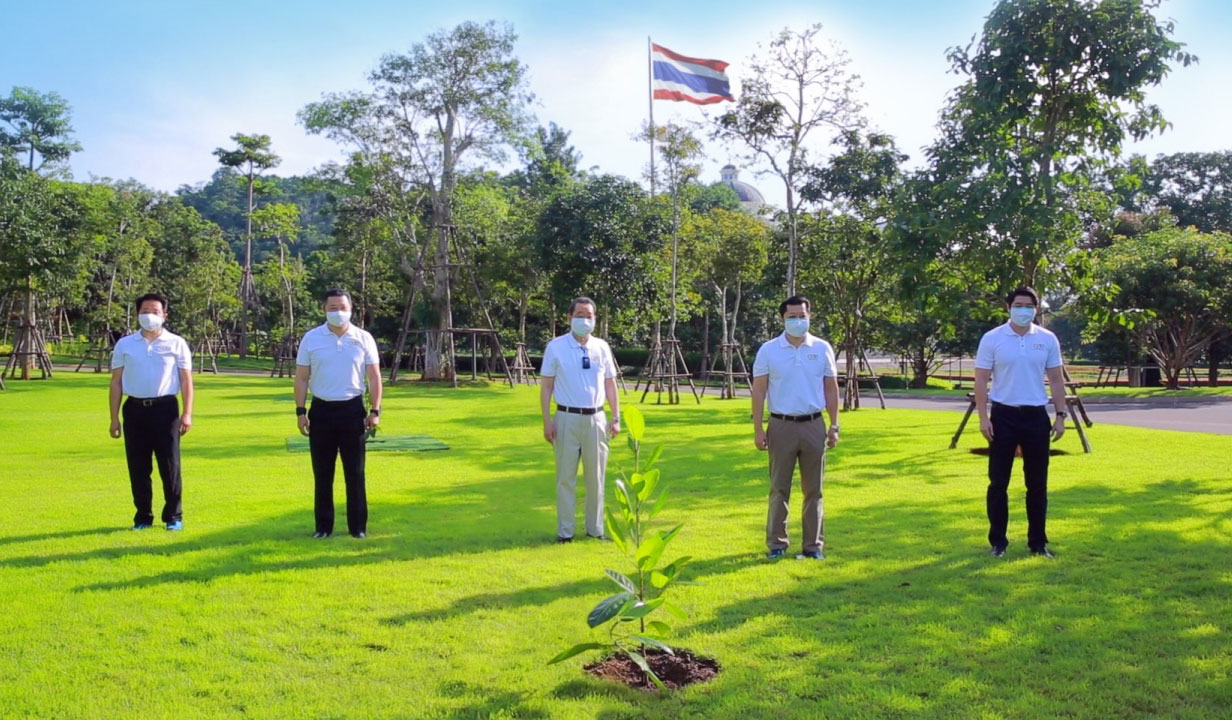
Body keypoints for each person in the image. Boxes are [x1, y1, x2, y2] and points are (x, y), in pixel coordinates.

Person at [974, 286, 1067, 559]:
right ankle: (998, 542)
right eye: (1019, 305)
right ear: (1008, 307)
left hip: (1037, 416)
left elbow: (1057, 379)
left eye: (1029, 306)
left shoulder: (1047, 339)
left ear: (1036, 309)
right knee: (998, 483)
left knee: (1037, 484)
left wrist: (1060, 416)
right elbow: (981, 379)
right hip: (1003, 416)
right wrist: (983, 418)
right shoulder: (993, 338)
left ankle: (1037, 543)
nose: (1023, 310)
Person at [751, 295, 840, 560]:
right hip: (781, 425)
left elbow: (831, 388)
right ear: (782, 319)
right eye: (791, 317)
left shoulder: (822, 348)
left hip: (814, 424)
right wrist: (758, 428)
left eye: (802, 316)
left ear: (809, 316)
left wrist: (835, 425)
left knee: (814, 489)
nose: (797, 321)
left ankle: (813, 547)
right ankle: (777, 545)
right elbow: (759, 390)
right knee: (779, 488)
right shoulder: (769, 350)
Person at [294, 289, 382, 539]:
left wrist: (375, 410)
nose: (338, 312)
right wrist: (301, 411)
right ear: (324, 310)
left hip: (353, 410)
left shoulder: (363, 338)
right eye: (332, 308)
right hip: (321, 411)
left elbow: (374, 377)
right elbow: (301, 377)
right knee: (322, 473)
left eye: (342, 307)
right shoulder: (311, 338)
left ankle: (358, 527)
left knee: (355, 473)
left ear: (351, 309)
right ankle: (323, 527)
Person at [109, 293, 194, 531]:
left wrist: (187, 413)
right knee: (138, 467)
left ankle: (174, 516)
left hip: (165, 409)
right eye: (145, 311)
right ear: (137, 314)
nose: (150, 316)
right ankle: (143, 517)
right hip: (134, 410)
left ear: (165, 315)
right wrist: (114, 418)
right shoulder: (125, 344)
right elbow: (116, 382)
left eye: (155, 311)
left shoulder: (176, 343)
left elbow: (186, 381)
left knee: (170, 465)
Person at [540, 297, 620, 543]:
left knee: (596, 478)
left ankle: (595, 530)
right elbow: (546, 387)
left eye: (590, 315)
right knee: (566, 478)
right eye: (580, 315)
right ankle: (565, 532)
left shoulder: (601, 347)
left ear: (595, 319)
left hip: (596, 418)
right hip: (566, 418)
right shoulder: (556, 347)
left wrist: (616, 418)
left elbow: (610, 383)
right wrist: (547, 421)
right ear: (569, 317)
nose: (585, 320)